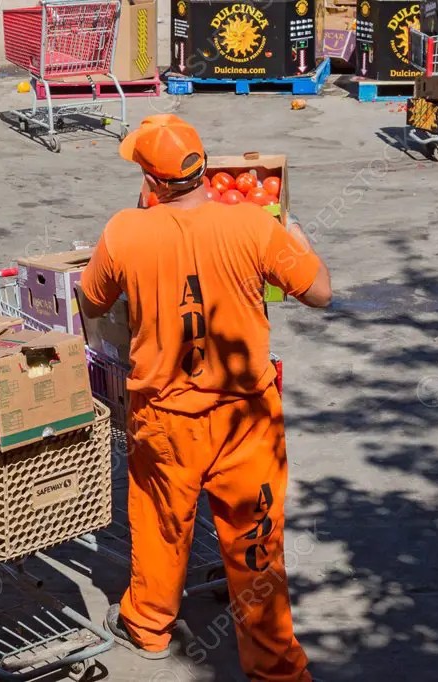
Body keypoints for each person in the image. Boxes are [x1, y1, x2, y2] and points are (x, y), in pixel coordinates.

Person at [79, 114, 331, 682]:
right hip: (249, 420)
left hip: (166, 419)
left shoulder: (124, 231)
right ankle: (277, 670)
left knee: (161, 522)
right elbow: (320, 293)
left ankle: (147, 626)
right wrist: (296, 238)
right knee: (256, 543)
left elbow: (92, 302)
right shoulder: (252, 226)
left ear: (151, 182)